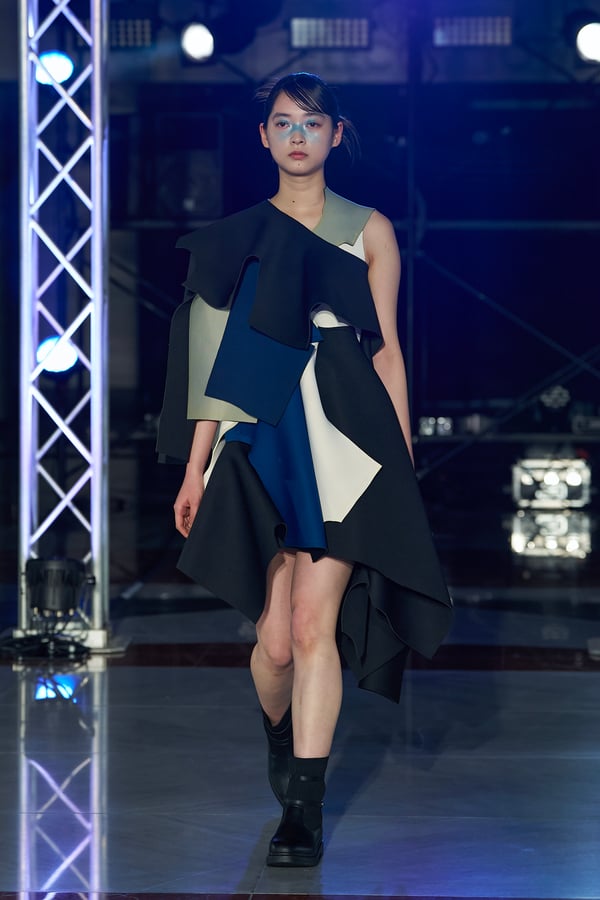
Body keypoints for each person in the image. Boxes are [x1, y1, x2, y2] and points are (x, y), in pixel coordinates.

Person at [157, 72, 452, 868]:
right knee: (278, 641)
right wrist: (195, 467)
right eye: (284, 123)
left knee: (316, 625)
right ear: (263, 136)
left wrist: (401, 455)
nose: (297, 136)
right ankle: (281, 736)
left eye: (312, 123)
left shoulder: (369, 229)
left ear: (335, 134)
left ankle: (304, 809)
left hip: (342, 436)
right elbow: (214, 362)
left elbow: (386, 348)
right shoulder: (238, 237)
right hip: (257, 432)